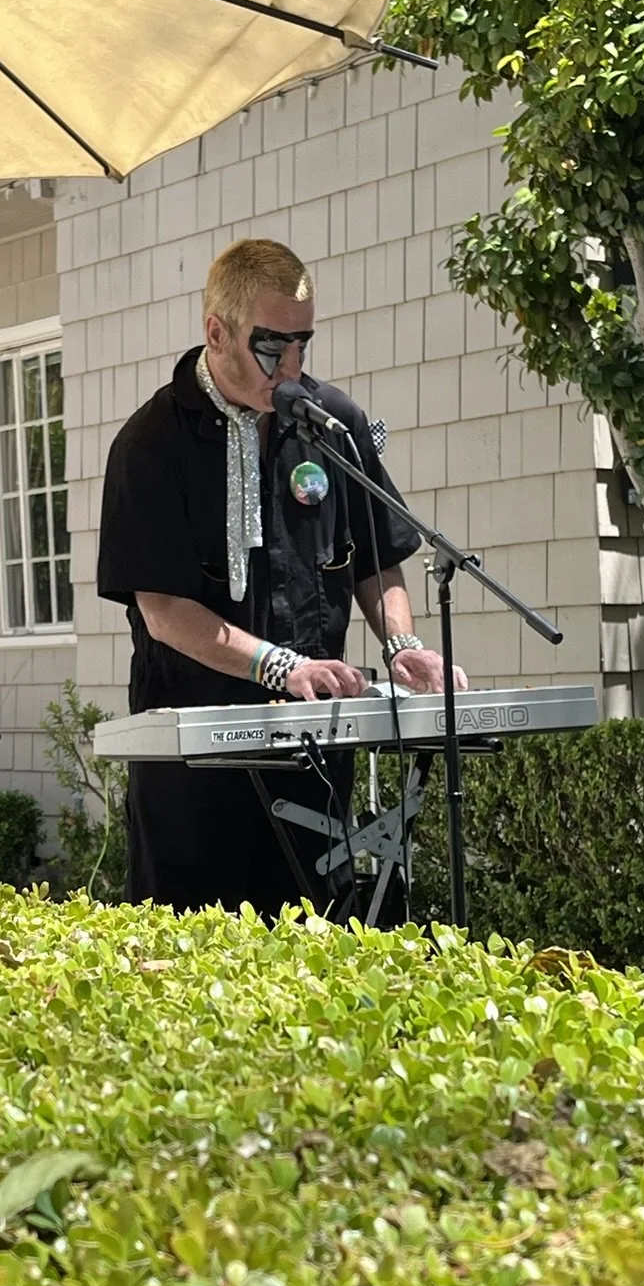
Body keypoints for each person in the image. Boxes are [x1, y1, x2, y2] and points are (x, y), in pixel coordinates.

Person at [97, 239, 462, 915]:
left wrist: (402, 643)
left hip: (315, 758)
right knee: (191, 961)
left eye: (303, 345)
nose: (292, 368)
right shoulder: (150, 444)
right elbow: (164, 612)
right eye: (271, 347)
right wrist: (280, 667)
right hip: (194, 774)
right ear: (217, 333)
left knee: (315, 949)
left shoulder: (333, 425)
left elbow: (377, 558)